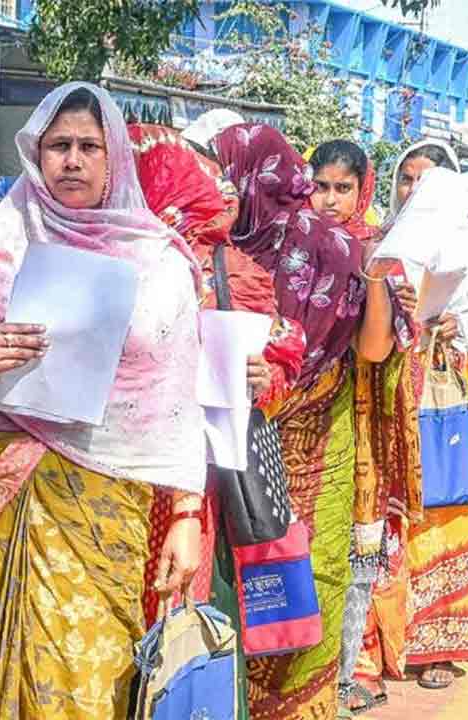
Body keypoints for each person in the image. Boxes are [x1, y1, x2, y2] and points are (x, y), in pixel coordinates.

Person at [0, 84, 205, 720]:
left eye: (89, 146)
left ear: (115, 159)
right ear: (36, 154)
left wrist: (187, 514)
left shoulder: (158, 266)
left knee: (90, 674)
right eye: (58, 146)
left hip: (102, 504)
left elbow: (175, 406)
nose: (73, 160)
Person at [128, 122, 307, 720]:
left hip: (194, 478)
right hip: (109, 467)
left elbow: (278, 357)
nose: (220, 191)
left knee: (181, 612)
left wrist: (264, 380)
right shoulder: (109, 251)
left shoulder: (233, 270)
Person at [214, 125, 384, 720]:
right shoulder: (198, 252)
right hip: (231, 441)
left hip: (311, 433)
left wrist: (384, 283)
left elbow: (375, 349)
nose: (221, 193)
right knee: (239, 570)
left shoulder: (331, 251)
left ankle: (300, 702)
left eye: (229, 180)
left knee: (307, 565)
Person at [305, 140, 422, 717]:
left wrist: (374, 276)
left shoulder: (376, 252)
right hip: (295, 427)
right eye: (320, 185)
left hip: (355, 430)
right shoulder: (290, 245)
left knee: (354, 558)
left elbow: (374, 349)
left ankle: (340, 675)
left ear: (362, 190)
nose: (329, 200)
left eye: (342, 188)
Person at [378, 140, 468, 693]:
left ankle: (439, 644)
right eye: (406, 177)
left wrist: (457, 329)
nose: (415, 188)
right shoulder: (381, 245)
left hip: (445, 403)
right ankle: (390, 641)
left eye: (430, 180)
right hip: (389, 399)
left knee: (443, 513)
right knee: (395, 516)